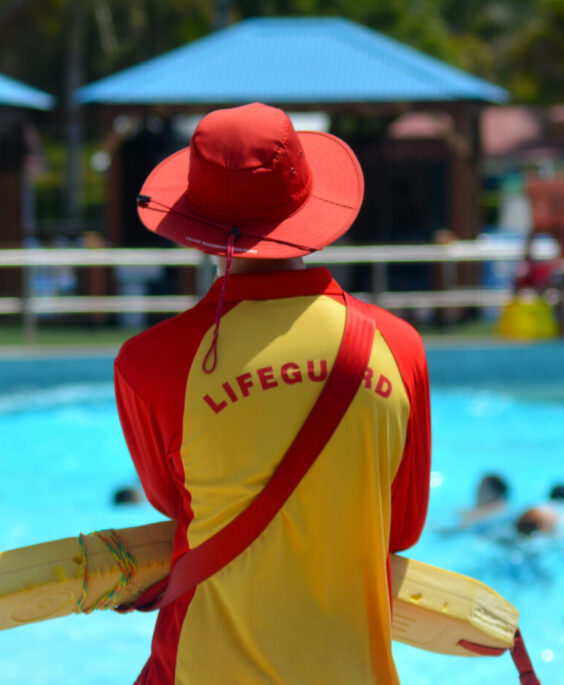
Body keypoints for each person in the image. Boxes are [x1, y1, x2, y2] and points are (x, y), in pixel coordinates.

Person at [112, 103, 431, 683]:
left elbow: (172, 502)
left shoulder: (148, 362)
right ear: (308, 205)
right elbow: (402, 528)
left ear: (196, 230)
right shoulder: (399, 347)